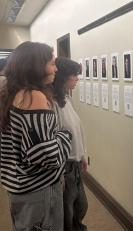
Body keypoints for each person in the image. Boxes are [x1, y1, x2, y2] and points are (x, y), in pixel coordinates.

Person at [0, 41, 72, 231]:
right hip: (38, 191)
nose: (56, 68)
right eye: (52, 63)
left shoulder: (9, 92)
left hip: (19, 187)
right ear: (35, 67)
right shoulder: (34, 97)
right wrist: (65, 136)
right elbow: (47, 156)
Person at [53, 57, 88, 231]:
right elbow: (54, 140)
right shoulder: (52, 103)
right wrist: (59, 173)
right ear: (63, 77)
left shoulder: (66, 99)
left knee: (80, 207)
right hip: (65, 168)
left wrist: (82, 154)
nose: (77, 78)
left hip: (75, 166)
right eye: (74, 75)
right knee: (67, 213)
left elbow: (77, 129)